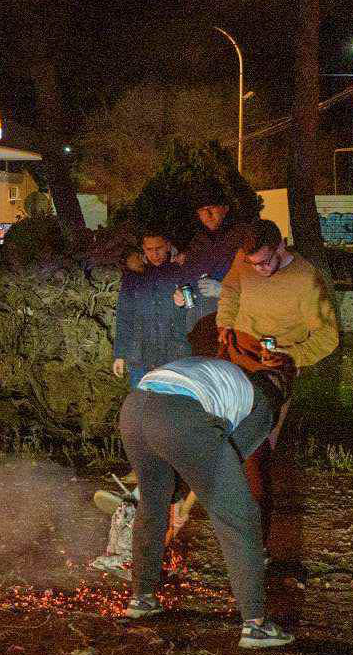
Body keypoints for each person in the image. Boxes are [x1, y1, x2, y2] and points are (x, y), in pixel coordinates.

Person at [116, 354, 294, 650]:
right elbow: (227, 462)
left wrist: (180, 502)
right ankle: (256, 626)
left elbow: (202, 454)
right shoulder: (263, 404)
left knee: (153, 501)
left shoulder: (231, 374)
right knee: (238, 514)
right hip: (177, 416)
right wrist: (188, 503)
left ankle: (141, 598)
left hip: (134, 408)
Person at [214, 218, 338, 533]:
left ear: (282, 244)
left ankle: (256, 536)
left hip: (274, 369)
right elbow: (230, 288)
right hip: (237, 352)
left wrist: (291, 357)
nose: (261, 270)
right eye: (253, 264)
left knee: (256, 448)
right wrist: (226, 322)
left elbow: (328, 337)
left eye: (266, 262)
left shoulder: (306, 279)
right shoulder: (245, 260)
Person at [113, 232, 197, 386]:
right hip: (139, 355)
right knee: (142, 403)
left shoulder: (182, 270)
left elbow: (194, 308)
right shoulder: (133, 276)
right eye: (149, 249)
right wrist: (120, 354)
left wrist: (184, 303)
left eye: (159, 248)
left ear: (168, 246)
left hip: (173, 354)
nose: (155, 254)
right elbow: (124, 315)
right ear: (143, 249)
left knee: (172, 402)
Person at [181, 192, 246, 356]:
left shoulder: (243, 238)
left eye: (212, 208)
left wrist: (222, 289)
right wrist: (179, 293)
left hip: (231, 323)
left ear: (225, 208)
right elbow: (186, 279)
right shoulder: (197, 242)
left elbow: (258, 282)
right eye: (202, 210)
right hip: (198, 323)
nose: (207, 215)